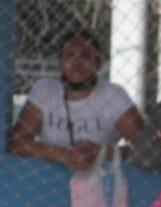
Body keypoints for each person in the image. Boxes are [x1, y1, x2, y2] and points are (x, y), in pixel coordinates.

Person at [8, 30, 144, 170]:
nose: (77, 63)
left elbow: (146, 148)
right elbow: (17, 143)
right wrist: (65, 155)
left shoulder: (114, 95)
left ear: (98, 64)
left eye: (85, 56)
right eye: (70, 56)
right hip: (47, 176)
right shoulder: (44, 90)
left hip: (101, 179)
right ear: (60, 63)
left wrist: (100, 153)